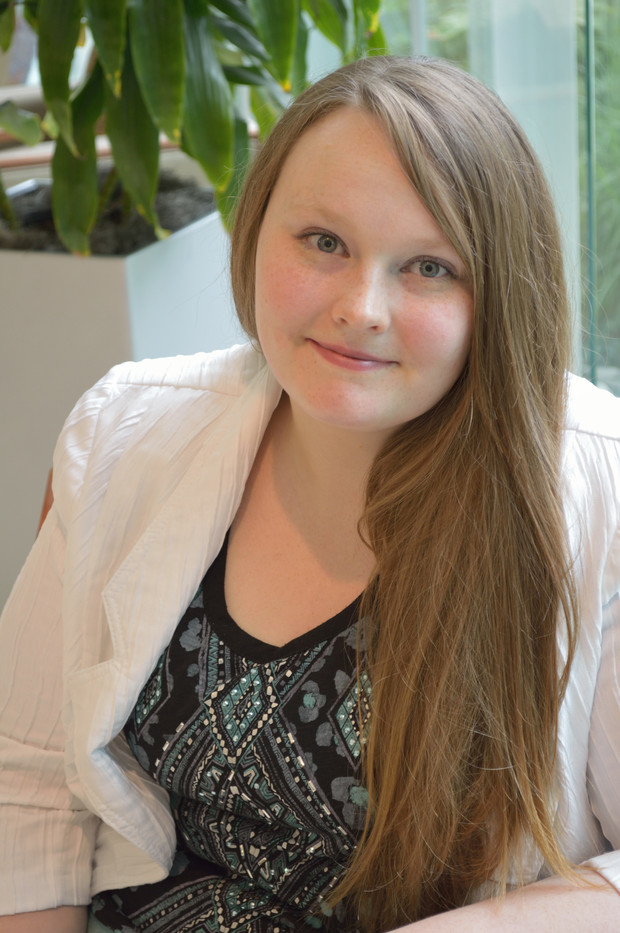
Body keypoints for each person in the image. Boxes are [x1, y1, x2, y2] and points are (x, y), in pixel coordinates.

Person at [0, 54, 619, 933]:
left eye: (428, 266)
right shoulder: (124, 431)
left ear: (500, 294)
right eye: (325, 242)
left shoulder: (600, 486)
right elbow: (27, 779)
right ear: (256, 230)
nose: (362, 307)